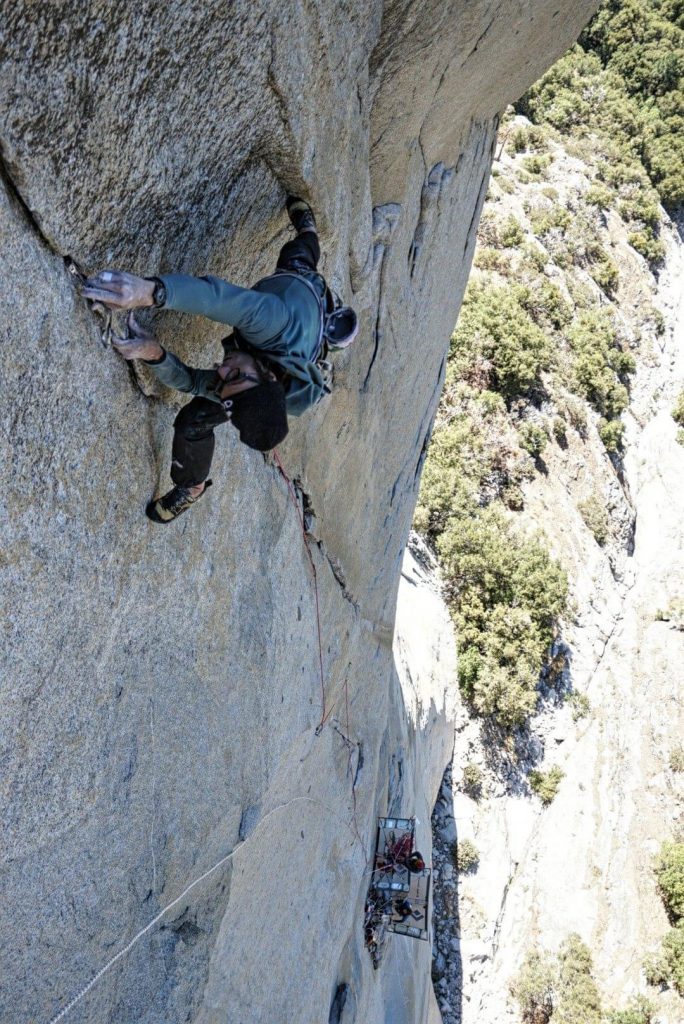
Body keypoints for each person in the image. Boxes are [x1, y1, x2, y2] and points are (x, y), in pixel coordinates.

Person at [82, 197, 356, 523]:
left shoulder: (243, 388)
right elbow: (217, 299)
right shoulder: (274, 323)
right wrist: (149, 292)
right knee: (299, 254)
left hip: (284, 360)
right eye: (234, 375)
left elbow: (191, 382)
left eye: (225, 381)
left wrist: (152, 353)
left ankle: (191, 488)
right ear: (269, 376)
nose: (222, 369)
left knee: (193, 420)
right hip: (301, 292)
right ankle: (308, 228)